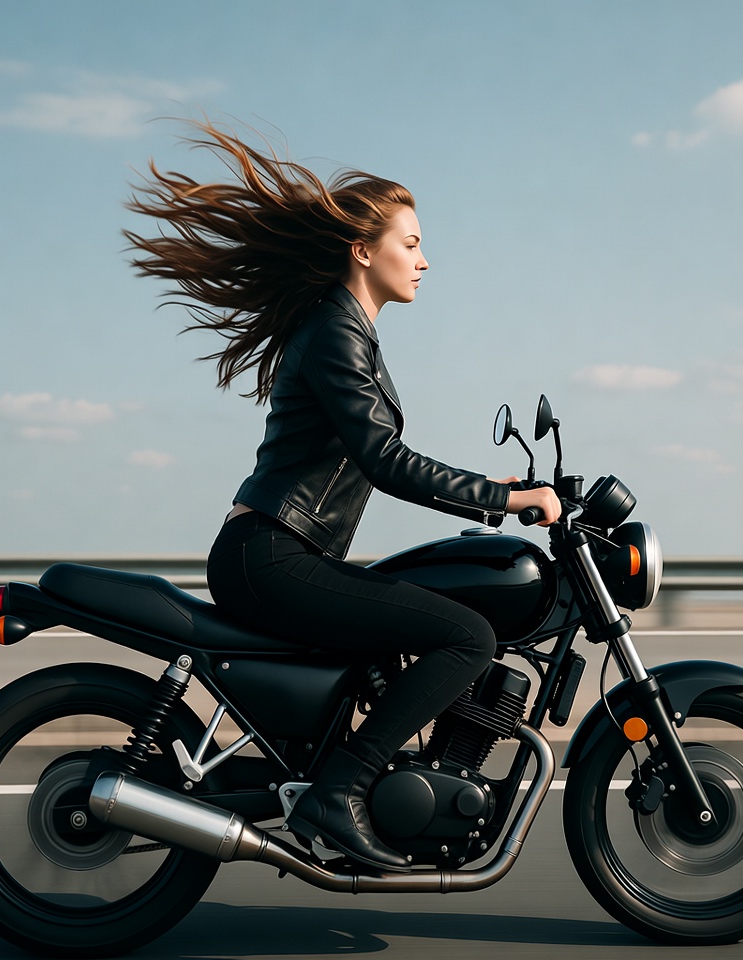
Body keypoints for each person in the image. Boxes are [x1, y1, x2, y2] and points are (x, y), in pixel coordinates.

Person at [126, 122, 562, 873]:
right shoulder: (336, 332)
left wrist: (508, 490)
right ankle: (342, 788)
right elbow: (384, 461)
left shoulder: (348, 330)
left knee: (405, 625)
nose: (425, 259)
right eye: (412, 243)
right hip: (272, 554)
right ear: (364, 251)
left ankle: (347, 773)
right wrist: (506, 498)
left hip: (285, 552)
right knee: (468, 638)